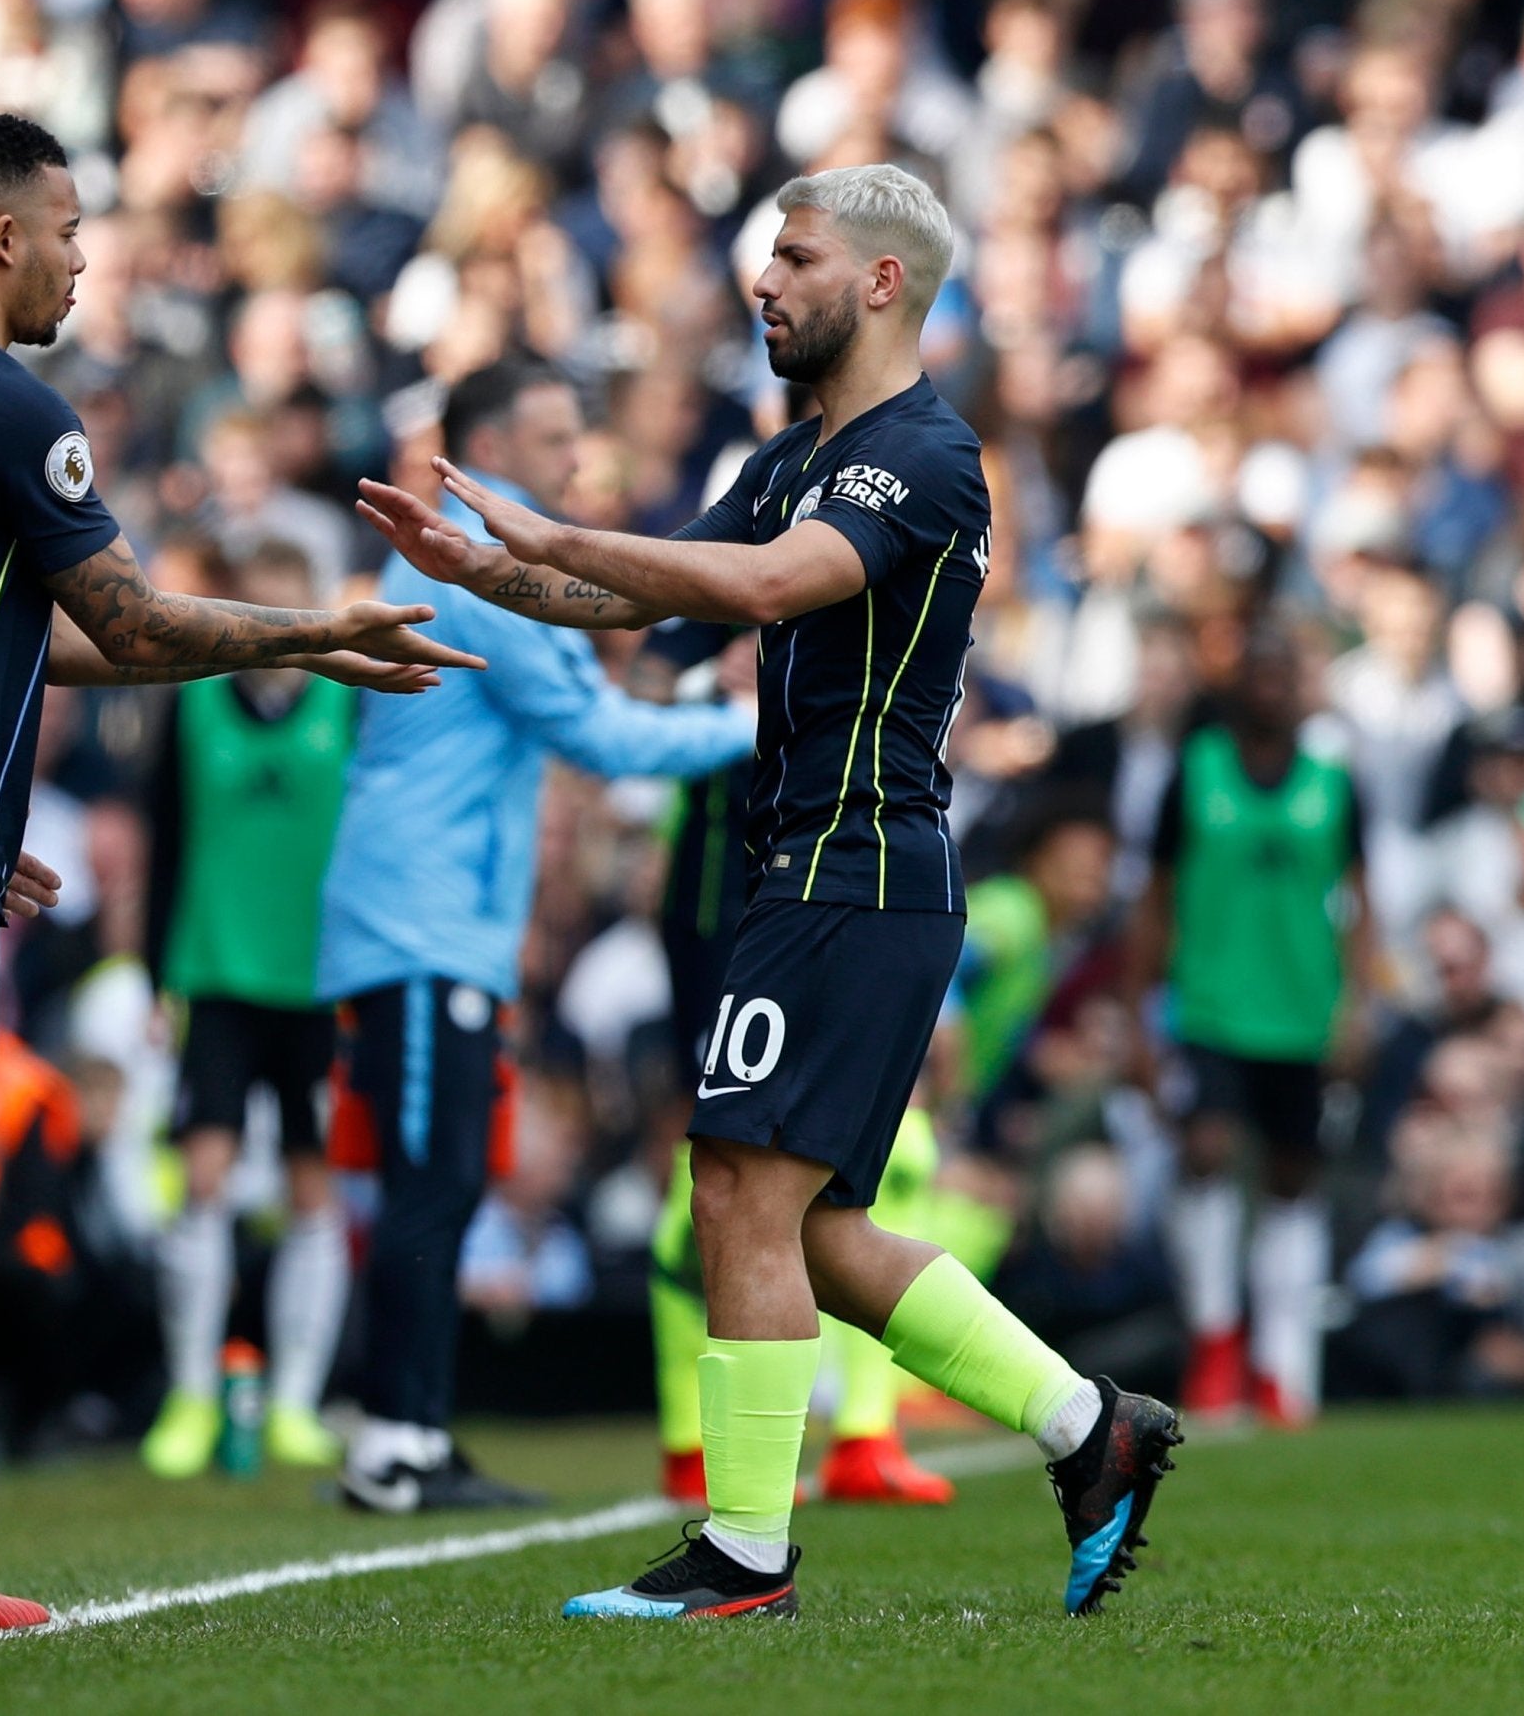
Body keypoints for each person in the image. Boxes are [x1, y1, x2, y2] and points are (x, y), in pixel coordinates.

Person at [359, 164, 1182, 1620]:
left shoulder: (918, 454)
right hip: (817, 866)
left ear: (880, 282)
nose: (764, 281)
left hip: (856, 863)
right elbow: (647, 596)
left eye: (794, 256)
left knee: (737, 1186)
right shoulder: (796, 454)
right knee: (806, 1225)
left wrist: (547, 536)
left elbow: (756, 590)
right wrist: (486, 570)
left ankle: (743, 1556)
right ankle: (1088, 1426)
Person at [0, 108, 479, 1633]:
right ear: (4, 235)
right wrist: (308, 632)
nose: (87, 258)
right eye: (73, 229)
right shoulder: (9, 404)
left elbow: (26, 639)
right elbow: (134, 619)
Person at [321, 355, 755, 1515]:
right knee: (430, 1179)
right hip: (418, 923)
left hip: (439, 920)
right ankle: (394, 1442)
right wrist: (748, 723)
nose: (578, 461)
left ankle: (411, 1428)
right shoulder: (470, 578)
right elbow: (600, 735)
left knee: (446, 1178)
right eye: (557, 437)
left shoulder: (476, 569)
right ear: (490, 449)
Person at [139, 541, 359, 1480]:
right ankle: (191, 1393)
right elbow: (164, 841)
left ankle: (298, 1405)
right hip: (218, 974)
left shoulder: (348, 704)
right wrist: (157, 975)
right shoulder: (190, 704)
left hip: (317, 983)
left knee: (314, 1189)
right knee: (204, 1181)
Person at [1130, 624, 1374, 1424]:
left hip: (1301, 1013)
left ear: (1302, 685)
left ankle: (1281, 1359)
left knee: (1292, 1176)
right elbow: (1155, 897)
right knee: (1205, 1150)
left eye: (1285, 670)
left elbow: (1360, 906)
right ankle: (1214, 1336)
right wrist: (1139, 1012)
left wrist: (1355, 1006)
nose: (1272, 684)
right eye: (1259, 670)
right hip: (1210, 1005)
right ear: (1238, 683)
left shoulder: (1336, 781)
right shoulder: (1194, 771)